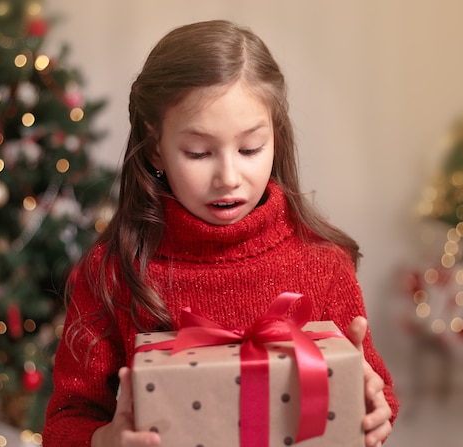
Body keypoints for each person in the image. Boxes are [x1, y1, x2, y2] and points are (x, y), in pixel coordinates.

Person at [43, 19, 399, 447]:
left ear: (276, 141)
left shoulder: (323, 264)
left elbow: (375, 396)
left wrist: (374, 408)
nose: (228, 177)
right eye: (198, 152)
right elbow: (64, 424)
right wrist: (103, 440)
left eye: (250, 149)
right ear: (156, 147)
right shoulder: (113, 273)